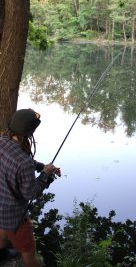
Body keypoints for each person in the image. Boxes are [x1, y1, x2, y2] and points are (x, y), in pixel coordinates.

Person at [0, 108, 61, 267]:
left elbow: (20, 159)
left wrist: (41, 166)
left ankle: (1, 253)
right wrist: (45, 175)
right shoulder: (24, 162)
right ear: (29, 133)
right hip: (15, 216)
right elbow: (31, 193)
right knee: (29, 254)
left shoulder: (1, 141)